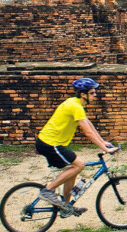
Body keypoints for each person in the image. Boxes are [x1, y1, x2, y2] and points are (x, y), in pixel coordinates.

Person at [35, 78, 118, 216]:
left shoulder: (76, 105)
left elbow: (89, 125)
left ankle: (66, 207)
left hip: (51, 143)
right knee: (79, 165)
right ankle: (48, 191)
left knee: (72, 172)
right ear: (83, 94)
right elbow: (88, 132)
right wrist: (106, 149)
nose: (95, 95)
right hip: (50, 143)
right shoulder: (75, 106)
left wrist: (103, 142)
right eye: (92, 93)